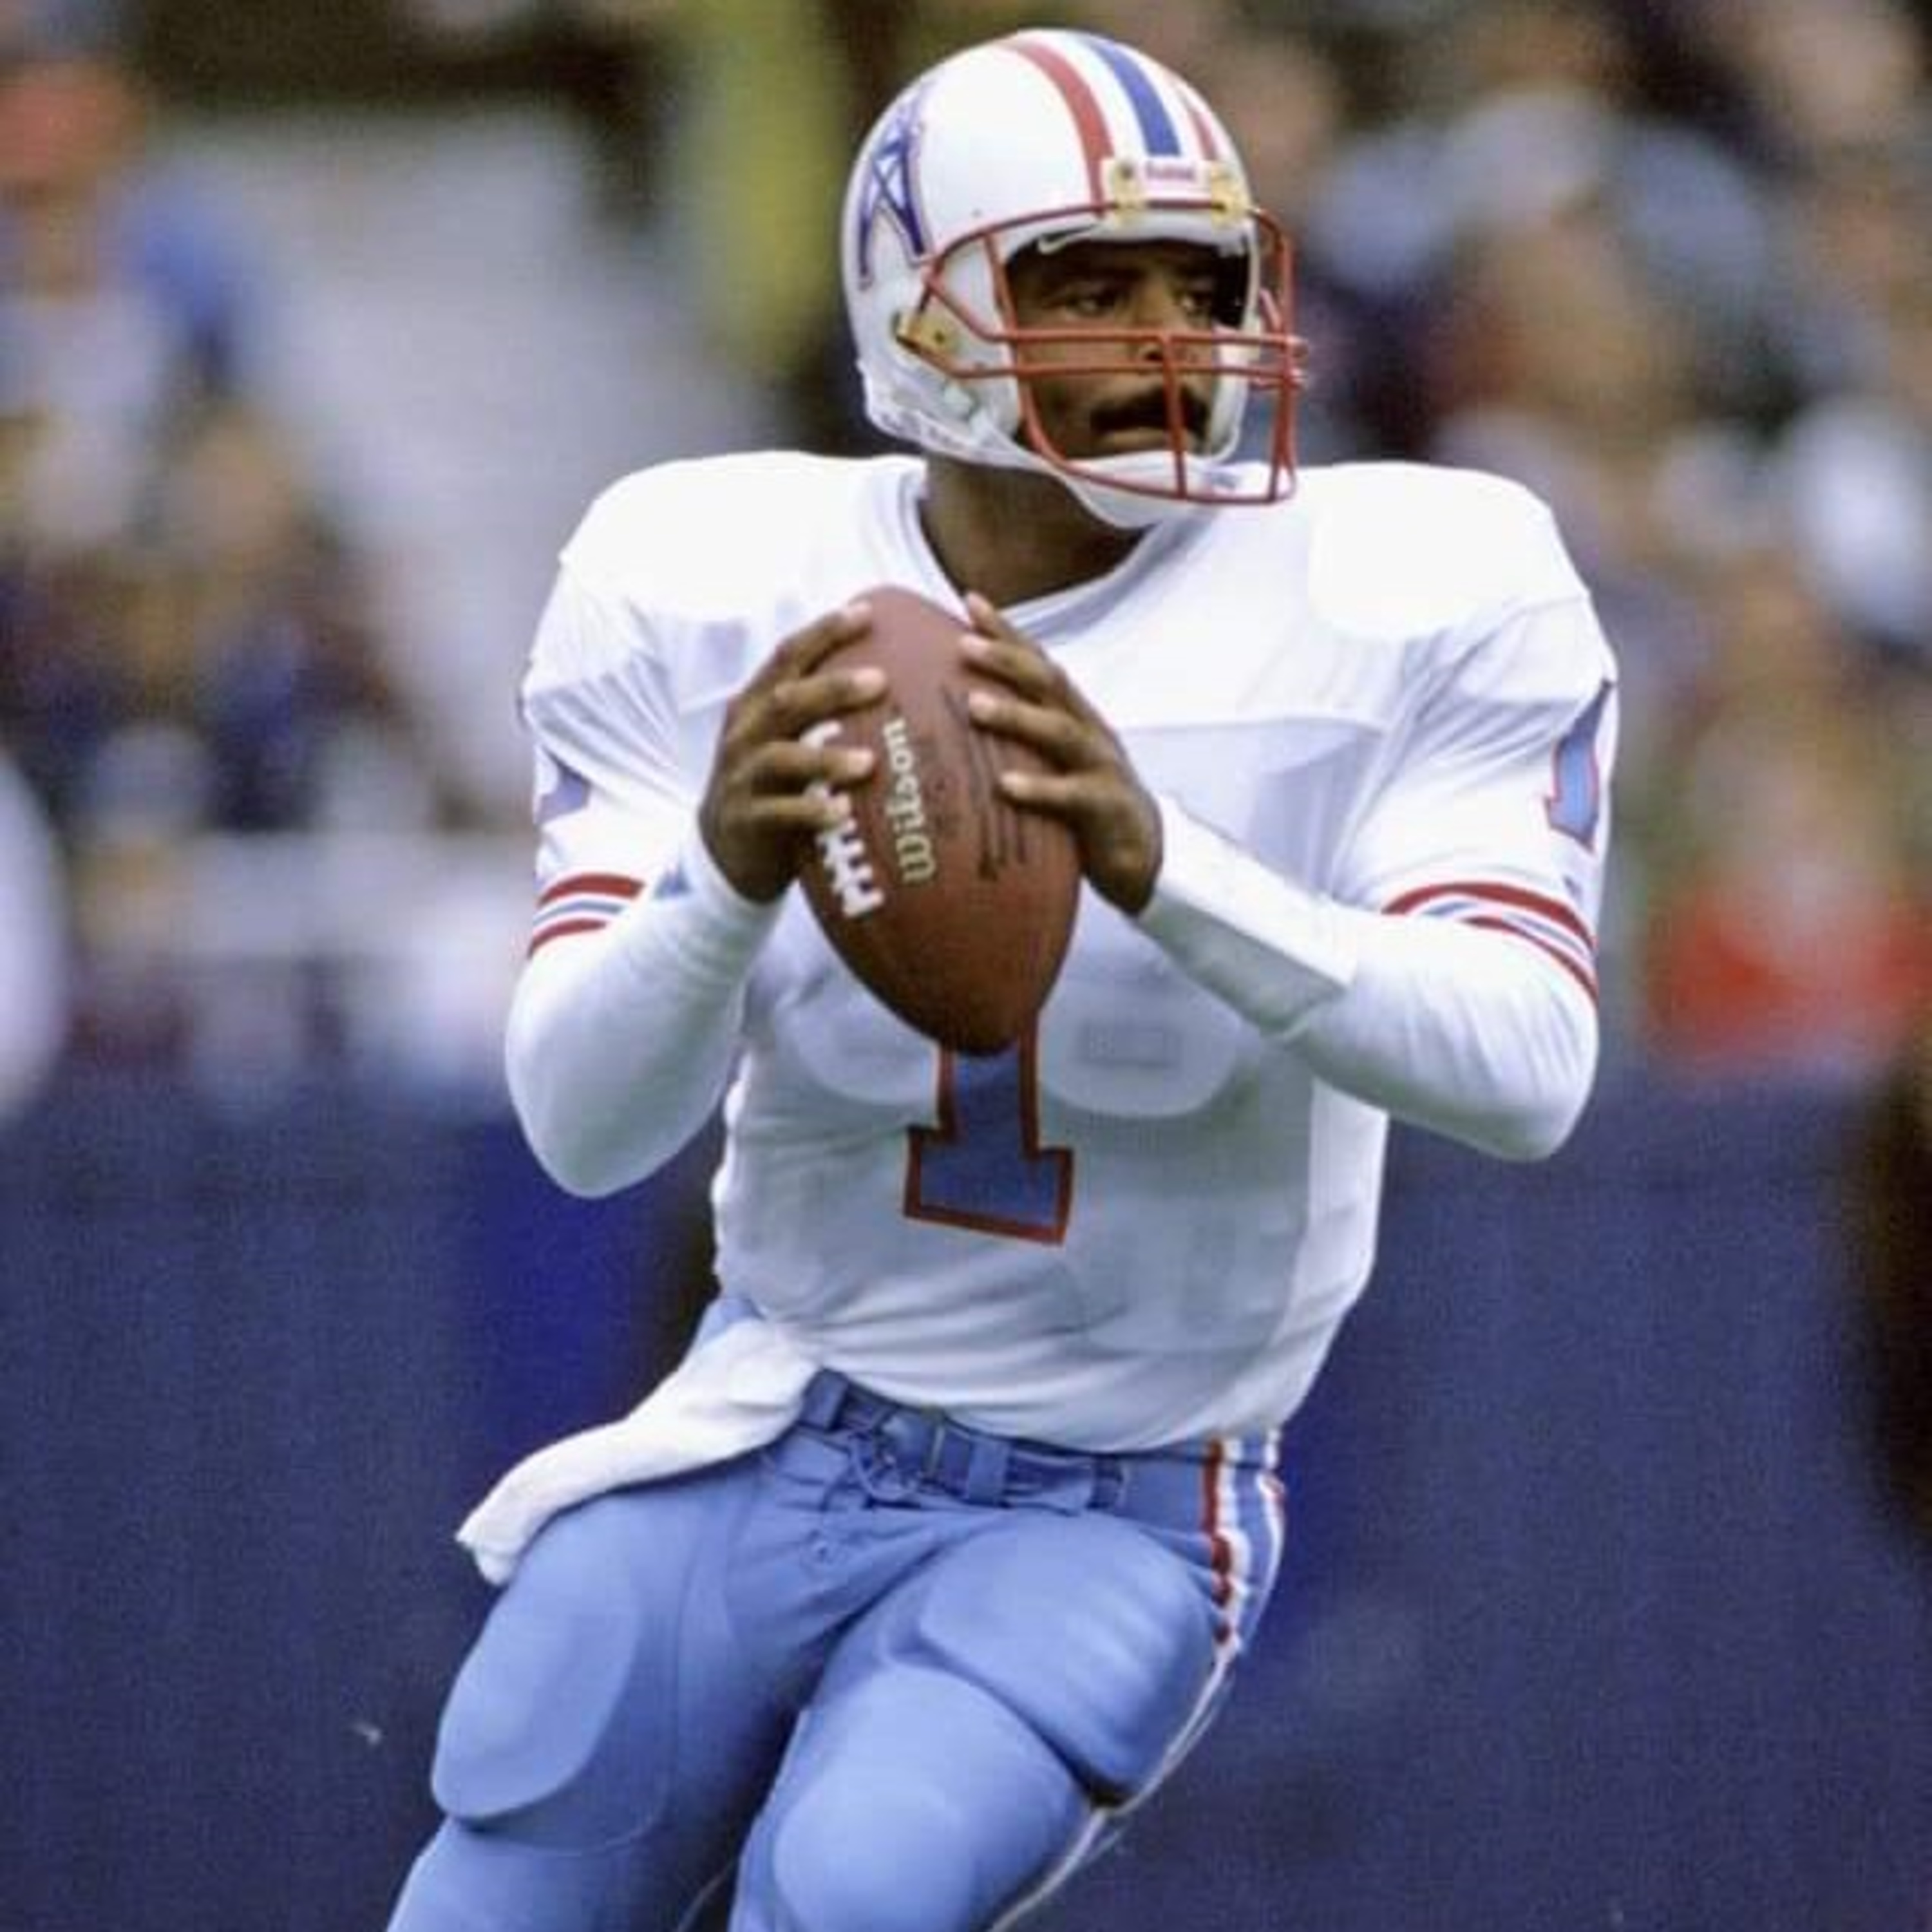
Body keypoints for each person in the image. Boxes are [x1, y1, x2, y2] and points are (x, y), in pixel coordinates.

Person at [385, 26, 1619, 1932]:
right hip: (772, 1412)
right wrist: (719, 874)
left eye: (1200, 282)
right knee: (498, 1883)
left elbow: (1528, 1069)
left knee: (855, 1889)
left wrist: (1159, 863)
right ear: (919, 315)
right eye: (1090, 285)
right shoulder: (710, 575)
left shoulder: (1410, 583)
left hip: (1119, 1493)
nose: (1167, 339)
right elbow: (583, 1125)